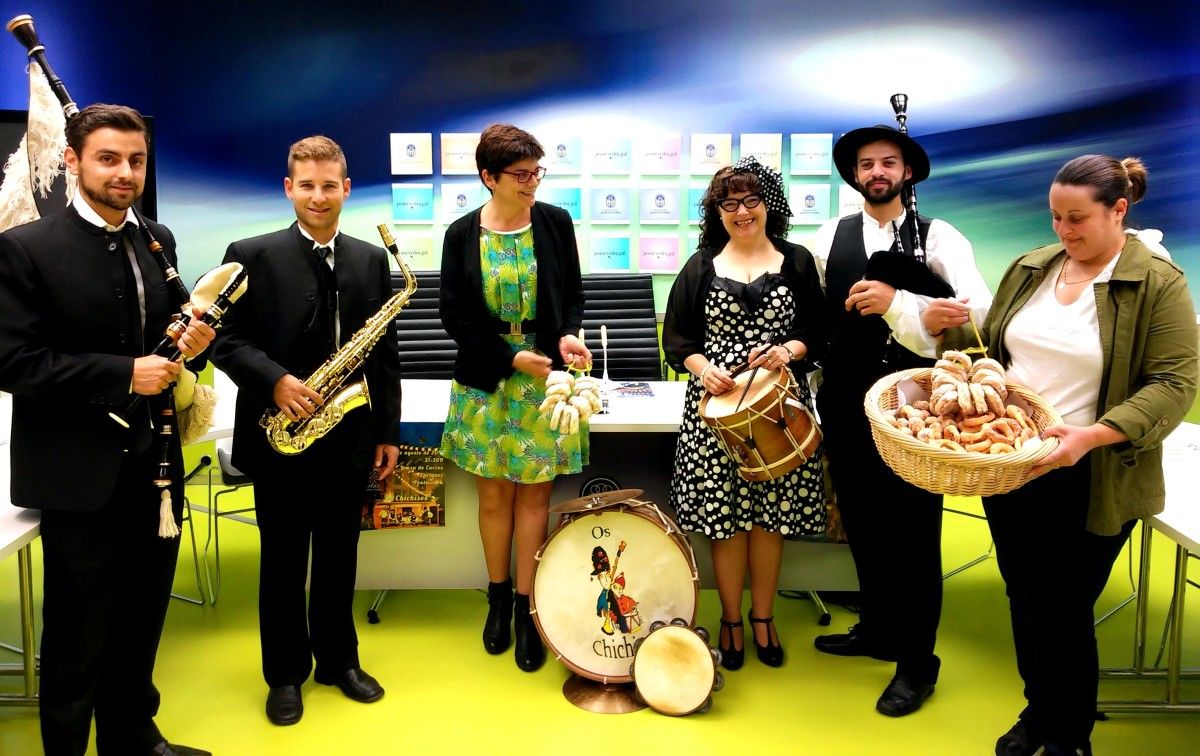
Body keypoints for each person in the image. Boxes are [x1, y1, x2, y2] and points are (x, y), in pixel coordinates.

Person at [0, 104, 214, 756]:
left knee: (143, 614)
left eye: (136, 160)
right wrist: (125, 372)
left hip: (156, 469)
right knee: (76, 630)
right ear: (73, 161)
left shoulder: (158, 238)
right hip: (78, 472)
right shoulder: (24, 249)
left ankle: (132, 736)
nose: (125, 173)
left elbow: (167, 345)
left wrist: (193, 341)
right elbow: (14, 363)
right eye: (109, 159)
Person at [968, 156, 1196, 756]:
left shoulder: (1158, 283)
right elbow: (1000, 352)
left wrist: (1091, 436)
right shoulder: (1031, 267)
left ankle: (1070, 737)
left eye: (1078, 219)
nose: (1064, 231)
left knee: (1062, 607)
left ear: (1119, 211)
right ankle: (1038, 711)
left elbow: (1174, 384)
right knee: (1023, 594)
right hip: (1014, 466)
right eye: (1055, 217)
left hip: (1093, 471)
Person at [211, 136, 401, 725]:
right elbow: (223, 337)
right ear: (288, 188)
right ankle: (284, 674)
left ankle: (339, 661)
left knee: (342, 556)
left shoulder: (371, 259)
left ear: (346, 189)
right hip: (280, 434)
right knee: (284, 561)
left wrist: (387, 432)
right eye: (307, 185)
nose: (319, 197)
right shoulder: (249, 254)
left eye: (330, 185)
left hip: (347, 434)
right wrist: (276, 382)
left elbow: (383, 354)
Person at [810, 124, 992, 715]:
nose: (876, 172)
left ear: (907, 172)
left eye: (888, 162)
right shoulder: (827, 237)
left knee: (913, 534)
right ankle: (881, 630)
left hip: (913, 408)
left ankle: (918, 663)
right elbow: (815, 316)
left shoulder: (940, 236)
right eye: (866, 165)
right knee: (861, 521)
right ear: (854, 175)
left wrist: (901, 305)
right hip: (842, 398)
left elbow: (976, 315)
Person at [663, 156, 828, 670]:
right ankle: (731, 619)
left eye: (751, 200)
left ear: (769, 205)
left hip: (778, 409)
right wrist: (703, 368)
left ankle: (764, 617)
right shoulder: (701, 265)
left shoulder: (797, 260)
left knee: (770, 521)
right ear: (716, 212)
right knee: (725, 521)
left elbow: (818, 333)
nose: (741, 211)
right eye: (728, 203)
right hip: (714, 414)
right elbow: (677, 340)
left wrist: (788, 351)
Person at [439, 123, 591, 672]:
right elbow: (453, 314)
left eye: (536, 172)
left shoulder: (554, 222)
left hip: (545, 380)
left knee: (534, 499)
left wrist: (567, 334)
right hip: (486, 379)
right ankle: (497, 599)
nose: (532, 183)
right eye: (521, 175)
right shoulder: (461, 234)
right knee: (494, 498)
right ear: (488, 177)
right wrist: (509, 359)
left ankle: (528, 607)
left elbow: (571, 294)